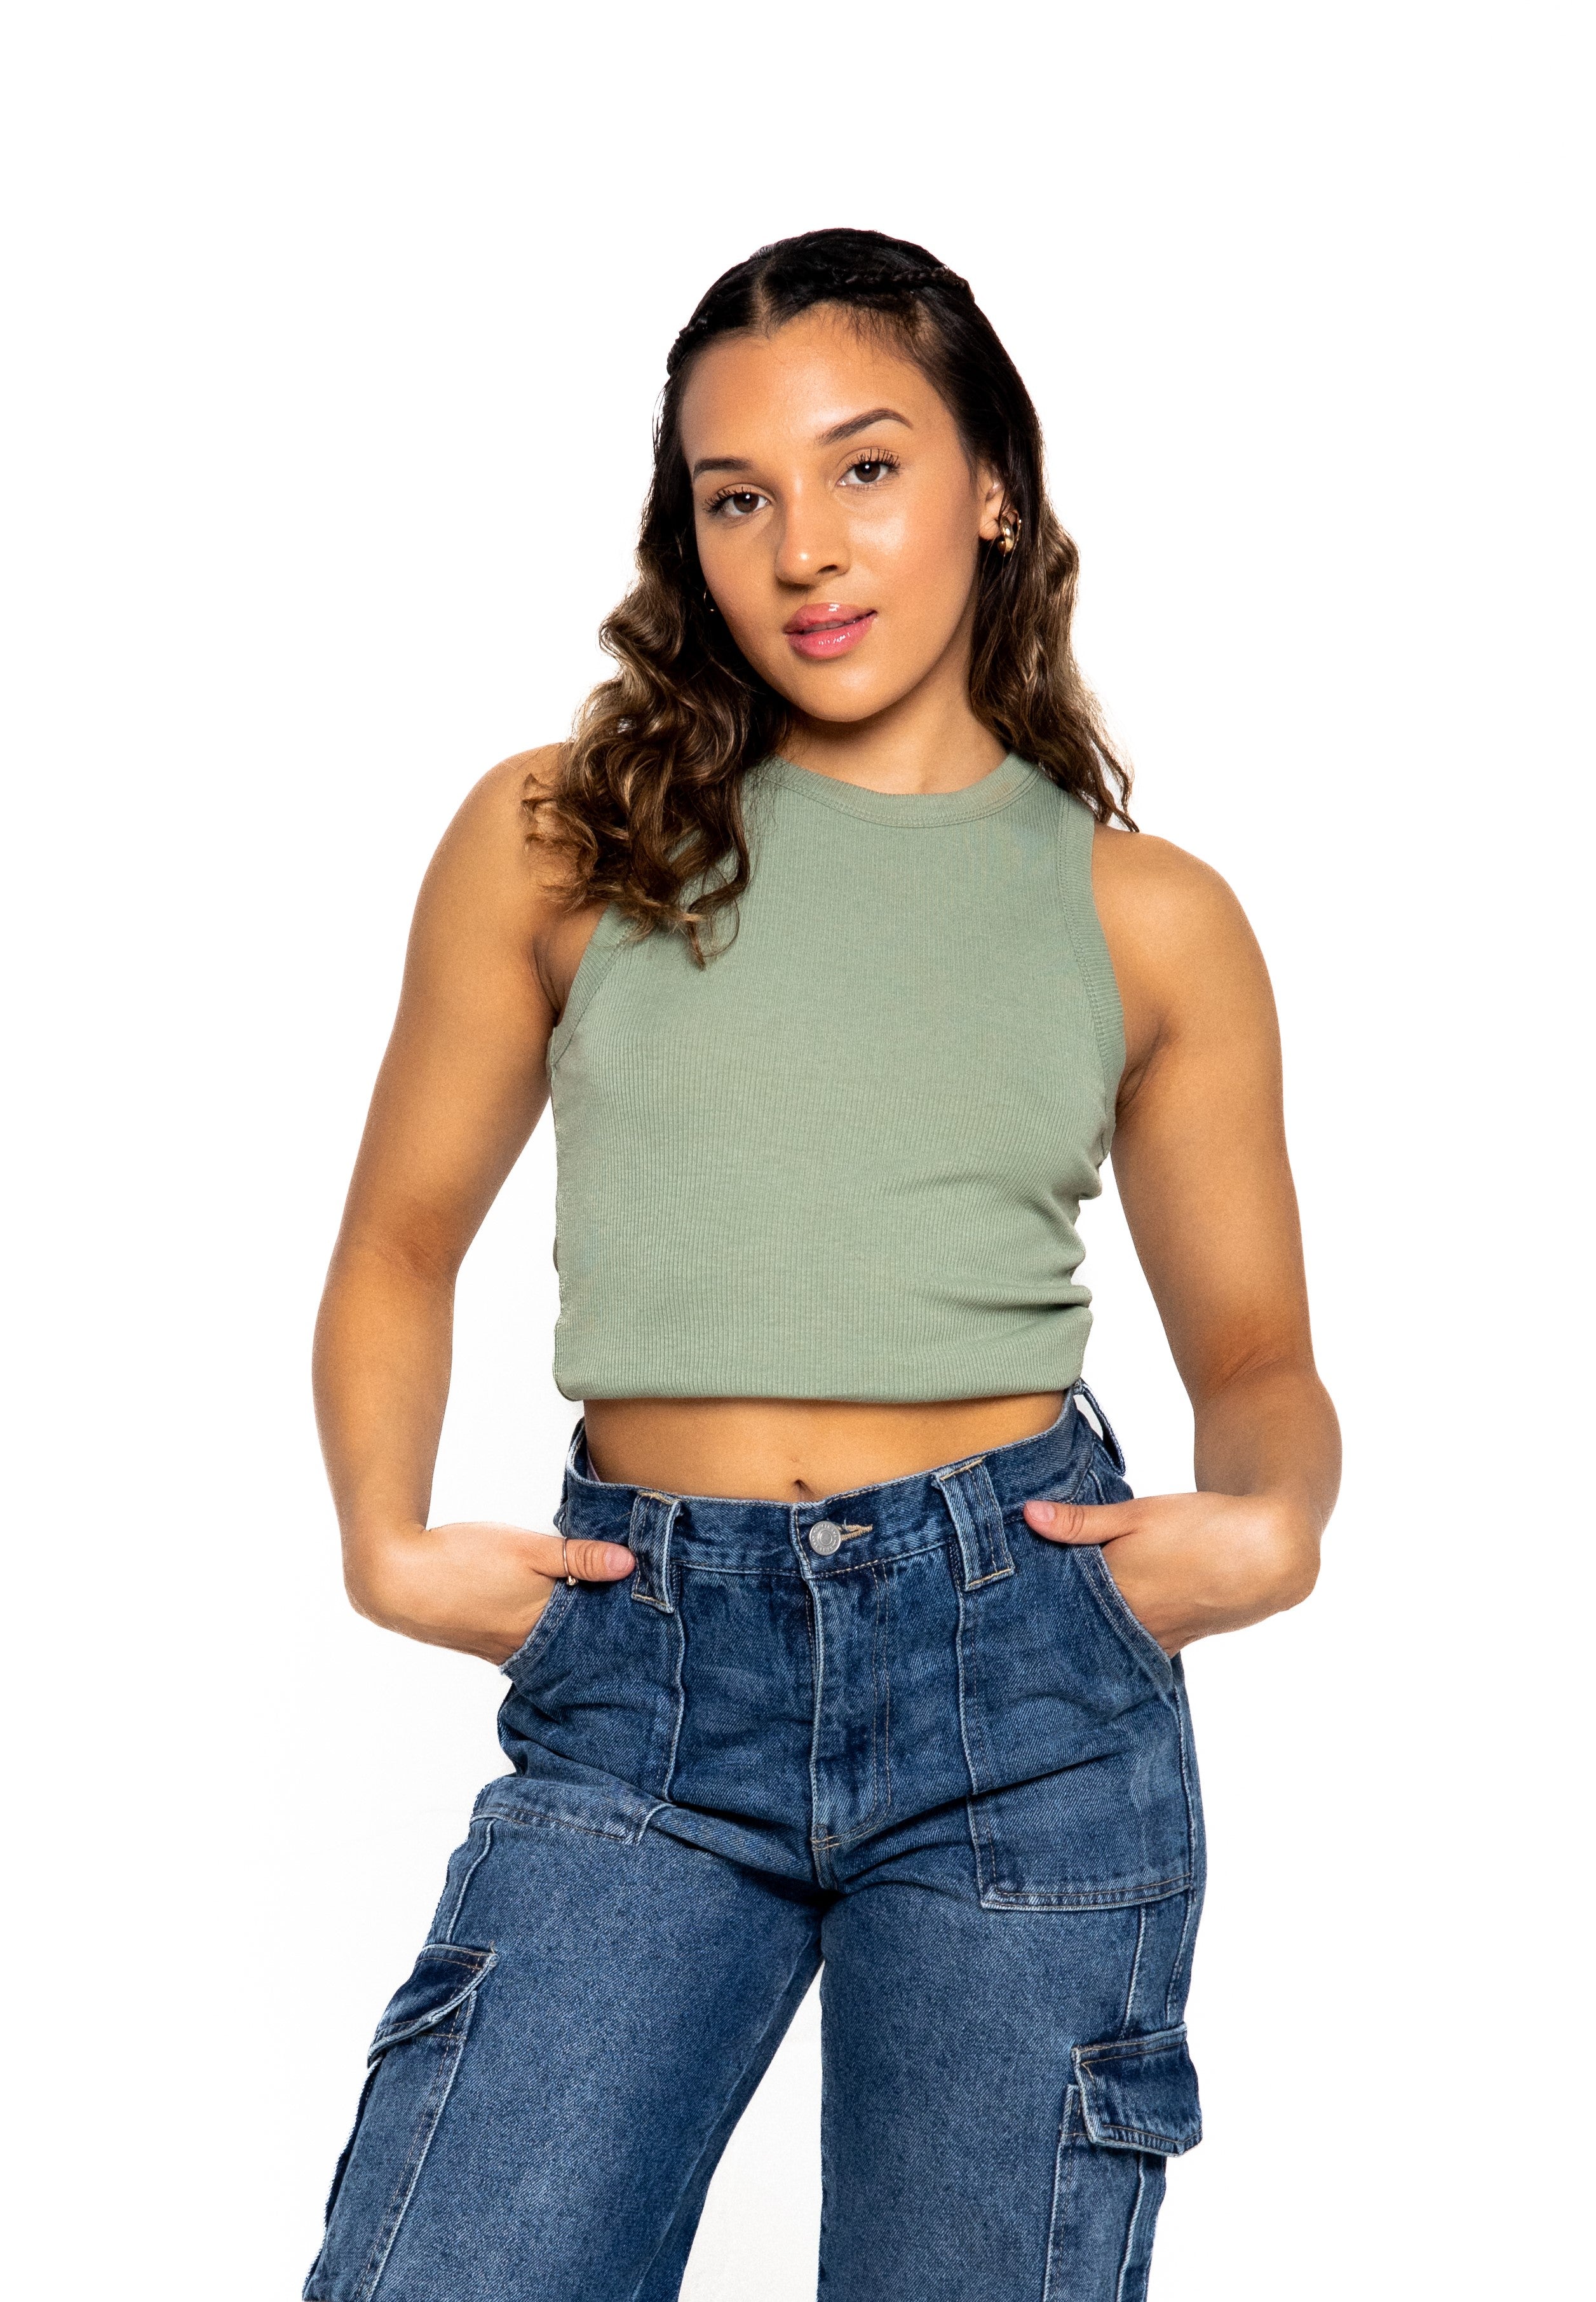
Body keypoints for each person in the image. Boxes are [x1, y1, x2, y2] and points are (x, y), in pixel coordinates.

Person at [303, 227, 1340, 2302]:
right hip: (646, 1683)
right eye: (736, 497)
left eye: (866, 468)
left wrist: (1277, 1521)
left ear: (993, 491)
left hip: (1026, 1683)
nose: (804, 550)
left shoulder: (1148, 918)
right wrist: (384, 1542)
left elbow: (1258, 1354)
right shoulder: (563, 836)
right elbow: (400, 1243)